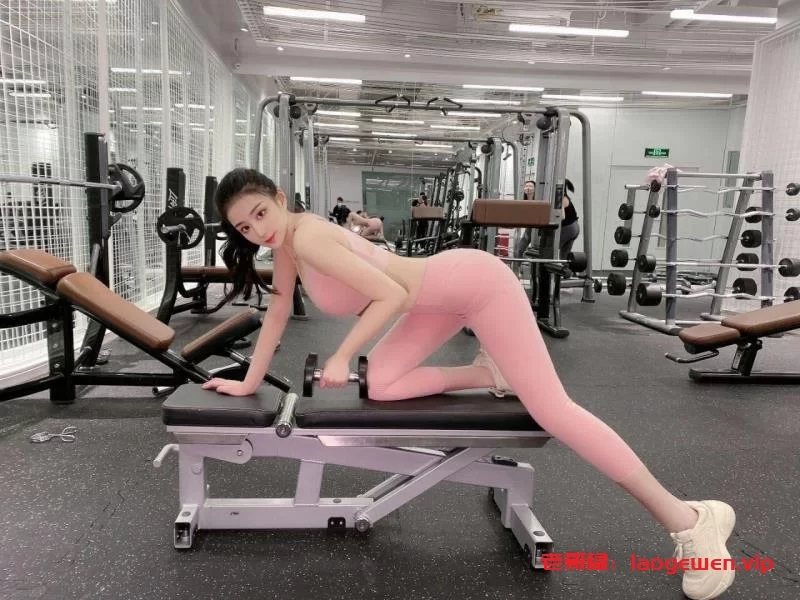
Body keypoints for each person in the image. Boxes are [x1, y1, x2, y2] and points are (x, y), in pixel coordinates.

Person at [203, 168, 737, 600]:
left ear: (278, 198)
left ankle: (690, 520)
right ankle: (489, 372)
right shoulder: (289, 243)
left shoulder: (310, 236)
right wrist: (248, 381)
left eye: (260, 213)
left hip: (476, 285)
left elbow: (390, 295)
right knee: (382, 382)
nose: (257, 230)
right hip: (434, 301)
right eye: (244, 228)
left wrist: (343, 354)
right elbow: (277, 311)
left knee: (553, 410)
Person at [514, 180, 536, 260]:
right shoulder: (523, 200)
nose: (528, 188)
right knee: (520, 249)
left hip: (536, 228)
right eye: (526, 186)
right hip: (528, 227)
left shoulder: (537, 200)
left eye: (530, 186)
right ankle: (519, 266)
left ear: (535, 189)